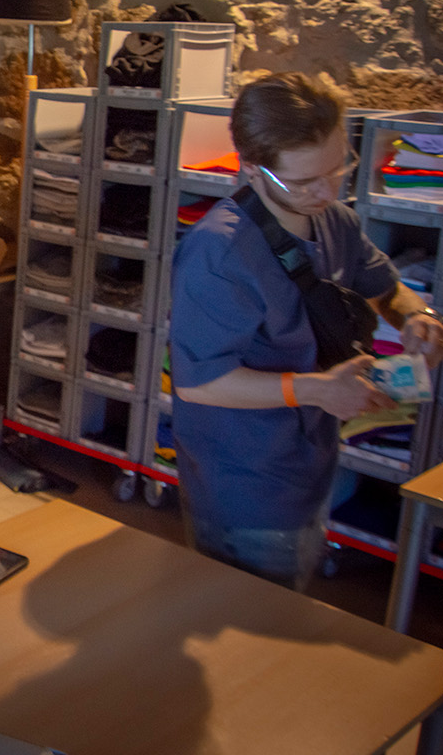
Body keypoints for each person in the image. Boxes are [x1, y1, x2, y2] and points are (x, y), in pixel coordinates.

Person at [171, 74, 443, 591]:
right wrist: (317, 389)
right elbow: (199, 382)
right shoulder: (219, 253)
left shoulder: (334, 221)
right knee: (252, 607)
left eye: (339, 167)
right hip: (245, 479)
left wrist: (419, 319)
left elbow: (385, 288)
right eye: (303, 182)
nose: (327, 190)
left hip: (310, 458)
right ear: (252, 169)